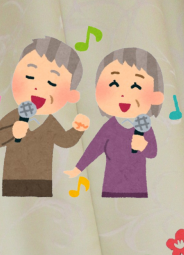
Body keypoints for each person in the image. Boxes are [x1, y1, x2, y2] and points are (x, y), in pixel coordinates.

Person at [0, 36, 90, 197]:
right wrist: (12, 132)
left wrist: (78, 129)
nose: (37, 87)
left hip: (42, 180)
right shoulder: (14, 116)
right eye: (29, 76)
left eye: (52, 82)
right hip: (12, 179)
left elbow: (64, 141)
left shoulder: (50, 122)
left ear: (71, 95)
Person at [65, 47, 164, 198]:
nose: (123, 94)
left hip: (137, 187)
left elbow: (152, 152)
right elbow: (95, 147)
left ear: (155, 97)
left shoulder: (144, 126)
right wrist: (78, 169)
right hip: (111, 187)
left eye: (136, 86)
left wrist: (143, 145)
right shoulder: (110, 127)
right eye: (114, 84)